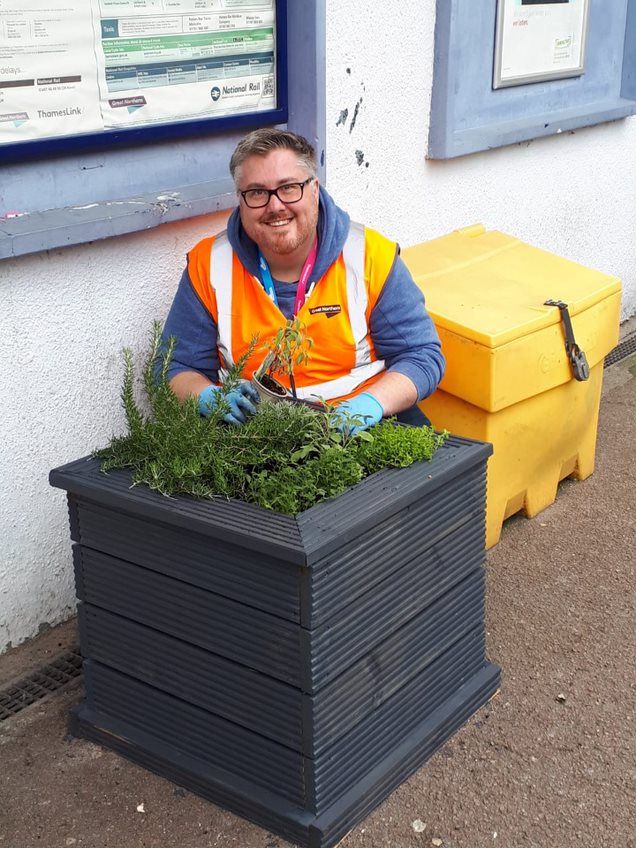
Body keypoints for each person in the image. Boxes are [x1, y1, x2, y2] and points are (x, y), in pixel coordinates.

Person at [162, 128, 444, 430]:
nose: (275, 206)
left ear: (314, 188)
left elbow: (422, 356)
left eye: (289, 188)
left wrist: (372, 404)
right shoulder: (209, 264)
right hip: (255, 437)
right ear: (240, 200)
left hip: (364, 428)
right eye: (257, 192)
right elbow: (176, 366)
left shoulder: (369, 255)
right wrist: (208, 397)